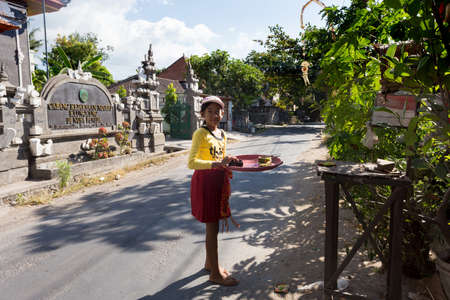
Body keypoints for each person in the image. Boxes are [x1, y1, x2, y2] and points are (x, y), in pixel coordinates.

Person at [188, 95, 240, 286]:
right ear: (202, 114)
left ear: (223, 113)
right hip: (205, 184)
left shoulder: (223, 134)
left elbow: (221, 156)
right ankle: (215, 274)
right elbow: (191, 162)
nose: (214, 115)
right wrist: (215, 164)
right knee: (212, 227)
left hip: (219, 183)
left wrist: (228, 159)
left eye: (217, 111)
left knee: (214, 226)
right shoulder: (200, 134)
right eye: (209, 111)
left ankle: (210, 264)